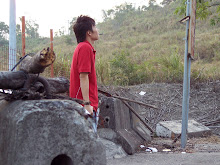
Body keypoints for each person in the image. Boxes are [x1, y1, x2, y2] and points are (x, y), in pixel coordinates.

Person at [69, 15, 99, 133]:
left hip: (86, 104)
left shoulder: (84, 47)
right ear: (89, 33)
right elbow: (83, 76)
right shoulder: (85, 48)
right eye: (95, 27)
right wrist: (87, 104)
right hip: (85, 106)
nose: (97, 30)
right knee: (89, 145)